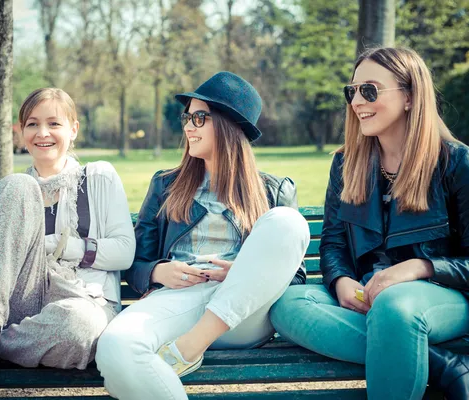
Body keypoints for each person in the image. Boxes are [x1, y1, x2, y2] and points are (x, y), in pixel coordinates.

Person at [269, 47, 469, 400]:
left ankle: (420, 351)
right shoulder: (345, 164)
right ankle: (445, 365)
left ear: (410, 97)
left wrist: (417, 267)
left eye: (369, 90)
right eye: (351, 91)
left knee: (394, 308)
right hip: (366, 294)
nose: (356, 101)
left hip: (448, 299)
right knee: (288, 305)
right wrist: (339, 281)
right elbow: (335, 244)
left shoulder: (457, 162)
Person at [95, 71, 310, 400]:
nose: (188, 127)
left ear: (228, 126)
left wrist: (241, 272)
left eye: (199, 117)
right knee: (115, 344)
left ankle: (188, 349)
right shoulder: (166, 185)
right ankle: (185, 350)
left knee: (288, 222)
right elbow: (134, 263)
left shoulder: (274, 190)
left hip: (245, 315)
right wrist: (157, 271)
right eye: (188, 117)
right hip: (179, 299)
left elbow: (292, 277)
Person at [0, 88, 136, 372]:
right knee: (16, 184)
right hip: (23, 303)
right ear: (21, 132)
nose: (42, 133)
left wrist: (59, 244)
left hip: (84, 303)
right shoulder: (15, 194)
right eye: (32, 124)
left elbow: (123, 252)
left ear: (73, 129)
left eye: (54, 123)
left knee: (80, 328)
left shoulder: (99, 177)